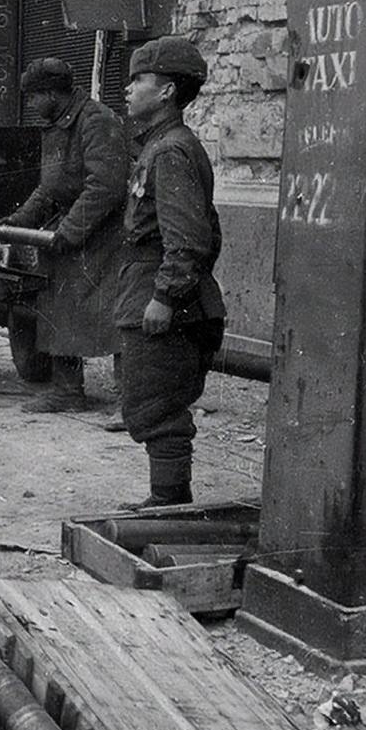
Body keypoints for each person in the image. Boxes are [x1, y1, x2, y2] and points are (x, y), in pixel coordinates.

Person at [116, 36, 226, 508]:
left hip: (168, 301)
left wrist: (164, 297)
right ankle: (166, 502)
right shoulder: (161, 147)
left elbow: (190, 239)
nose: (127, 89)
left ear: (165, 92)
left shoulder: (169, 152)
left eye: (138, 80)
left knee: (159, 408)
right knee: (149, 400)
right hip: (151, 289)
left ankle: (169, 507)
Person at [2, 57, 128, 412]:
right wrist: (19, 222)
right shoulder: (59, 124)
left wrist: (69, 230)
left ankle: (131, 401)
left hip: (109, 235)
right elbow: (49, 189)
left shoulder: (96, 120)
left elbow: (106, 185)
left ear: (51, 93)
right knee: (59, 304)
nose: (30, 106)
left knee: (117, 313)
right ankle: (68, 390)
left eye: (32, 98)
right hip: (78, 232)